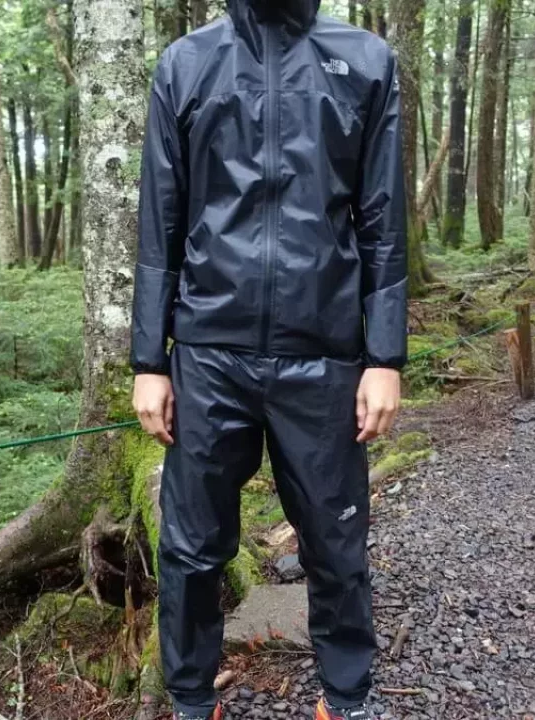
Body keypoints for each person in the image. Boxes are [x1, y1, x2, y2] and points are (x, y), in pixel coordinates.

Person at [129, 0, 407, 718]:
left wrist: (385, 356)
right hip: (208, 353)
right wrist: (148, 362)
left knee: (337, 544)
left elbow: (382, 218)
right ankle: (192, 702)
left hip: (325, 354)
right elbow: (161, 218)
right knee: (192, 550)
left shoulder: (365, 61)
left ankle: (347, 699)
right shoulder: (187, 63)